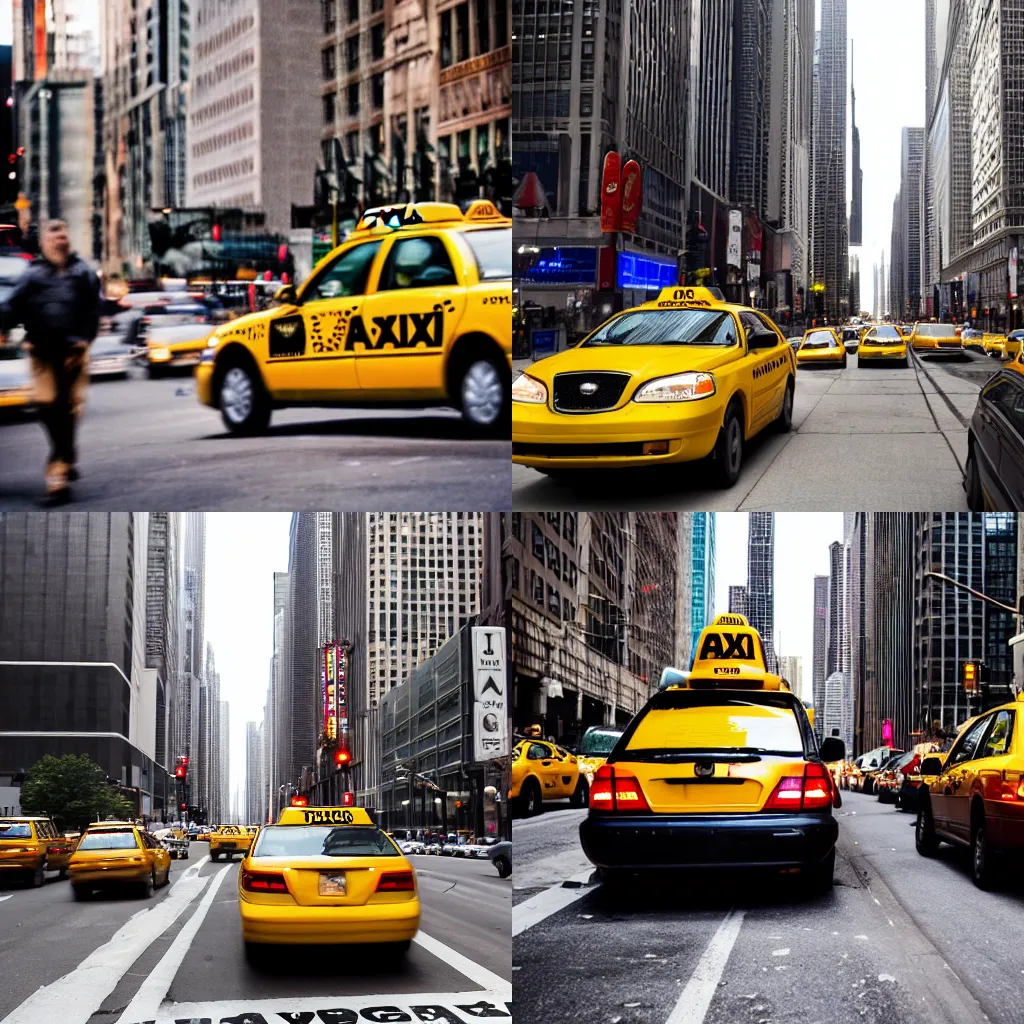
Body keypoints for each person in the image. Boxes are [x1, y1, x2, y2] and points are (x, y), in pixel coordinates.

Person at [0, 220, 101, 504]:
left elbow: (94, 308)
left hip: (73, 353)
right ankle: (67, 455)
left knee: (69, 412)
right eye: (54, 236)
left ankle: (58, 479)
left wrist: (85, 338)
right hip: (43, 353)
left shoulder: (83, 273)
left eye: (64, 236)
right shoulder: (33, 274)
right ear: (44, 242)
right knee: (47, 408)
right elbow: (11, 307)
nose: (60, 240)